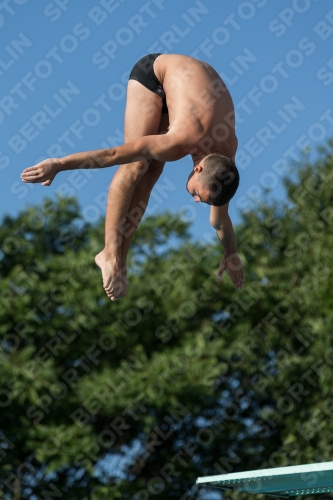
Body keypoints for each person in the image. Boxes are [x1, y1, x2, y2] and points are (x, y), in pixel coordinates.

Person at [21, 53, 244, 301]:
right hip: (156, 74)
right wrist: (59, 164)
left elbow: (220, 221)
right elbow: (114, 154)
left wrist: (231, 253)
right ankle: (109, 253)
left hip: (195, 90)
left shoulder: (223, 166)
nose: (194, 200)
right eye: (197, 195)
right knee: (137, 165)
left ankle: (120, 262)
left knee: (153, 171)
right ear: (199, 169)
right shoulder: (179, 140)